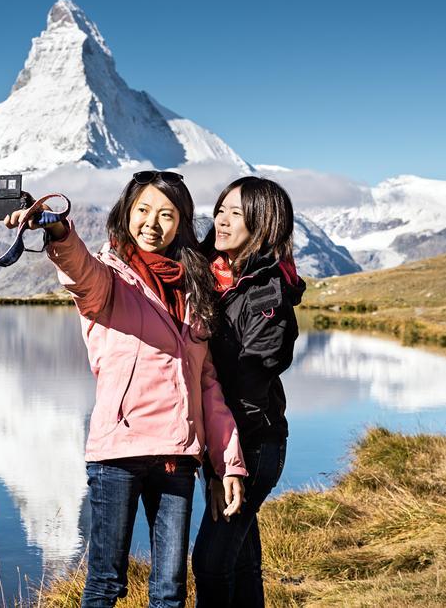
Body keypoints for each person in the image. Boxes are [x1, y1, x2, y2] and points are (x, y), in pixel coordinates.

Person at [4, 170, 247, 608]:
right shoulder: (108, 279)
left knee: (170, 591)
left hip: (177, 456)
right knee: (105, 586)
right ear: (126, 214)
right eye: (143, 211)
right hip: (118, 452)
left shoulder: (194, 290)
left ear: (182, 223)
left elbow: (207, 386)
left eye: (167, 214)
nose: (152, 223)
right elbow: (78, 269)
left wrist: (228, 464)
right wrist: (57, 229)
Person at [191, 176, 305, 608]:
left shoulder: (265, 294)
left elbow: (246, 381)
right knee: (240, 562)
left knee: (210, 562)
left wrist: (227, 466)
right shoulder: (212, 275)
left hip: (251, 445)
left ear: (263, 225)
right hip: (223, 444)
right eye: (220, 209)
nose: (221, 220)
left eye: (236, 213)